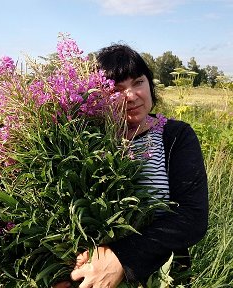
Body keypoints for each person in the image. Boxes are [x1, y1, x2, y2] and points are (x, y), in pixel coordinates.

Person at [54, 44, 208, 287]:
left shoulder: (176, 136)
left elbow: (192, 217)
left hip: (162, 277)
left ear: (150, 84)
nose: (131, 95)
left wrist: (121, 258)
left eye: (138, 82)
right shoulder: (81, 140)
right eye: (116, 89)